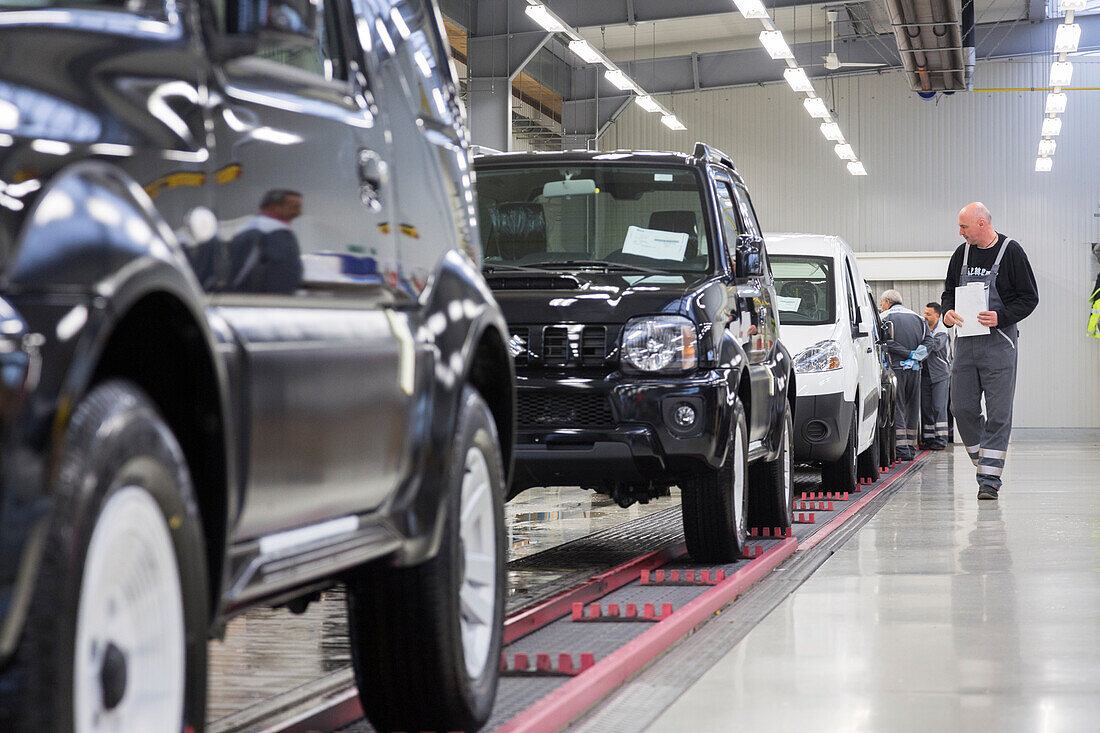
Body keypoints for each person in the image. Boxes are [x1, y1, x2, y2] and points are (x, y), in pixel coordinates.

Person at [941, 202, 1039, 500]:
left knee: (999, 413)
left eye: (964, 227)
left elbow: (1029, 298)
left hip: (999, 344)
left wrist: (1002, 317)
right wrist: (946, 313)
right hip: (966, 343)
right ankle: (984, 463)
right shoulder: (962, 254)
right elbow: (948, 292)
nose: (960, 233)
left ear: (982, 223)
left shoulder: (1011, 252)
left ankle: (989, 482)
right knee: (962, 408)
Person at [880, 290, 934, 461]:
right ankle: (911, 447)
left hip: (895, 369)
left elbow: (885, 342)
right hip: (915, 369)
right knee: (912, 407)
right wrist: (917, 356)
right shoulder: (918, 318)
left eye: (882, 303)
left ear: (887, 301)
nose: (881, 307)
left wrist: (907, 354)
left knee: (898, 407)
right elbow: (929, 341)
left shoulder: (884, 317)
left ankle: (901, 449)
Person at [227, 189, 304, 294]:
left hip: (256, 300)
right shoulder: (269, 232)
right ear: (273, 206)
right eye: (293, 207)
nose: (299, 213)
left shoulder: (250, 229)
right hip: (262, 302)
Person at [920, 302, 951, 450]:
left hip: (940, 374)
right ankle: (928, 438)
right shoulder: (924, 328)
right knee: (926, 408)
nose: (925, 316)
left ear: (937, 316)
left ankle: (941, 439)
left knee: (939, 407)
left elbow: (934, 345)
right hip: (924, 374)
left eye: (928, 314)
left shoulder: (942, 331)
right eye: (925, 313)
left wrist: (919, 347)